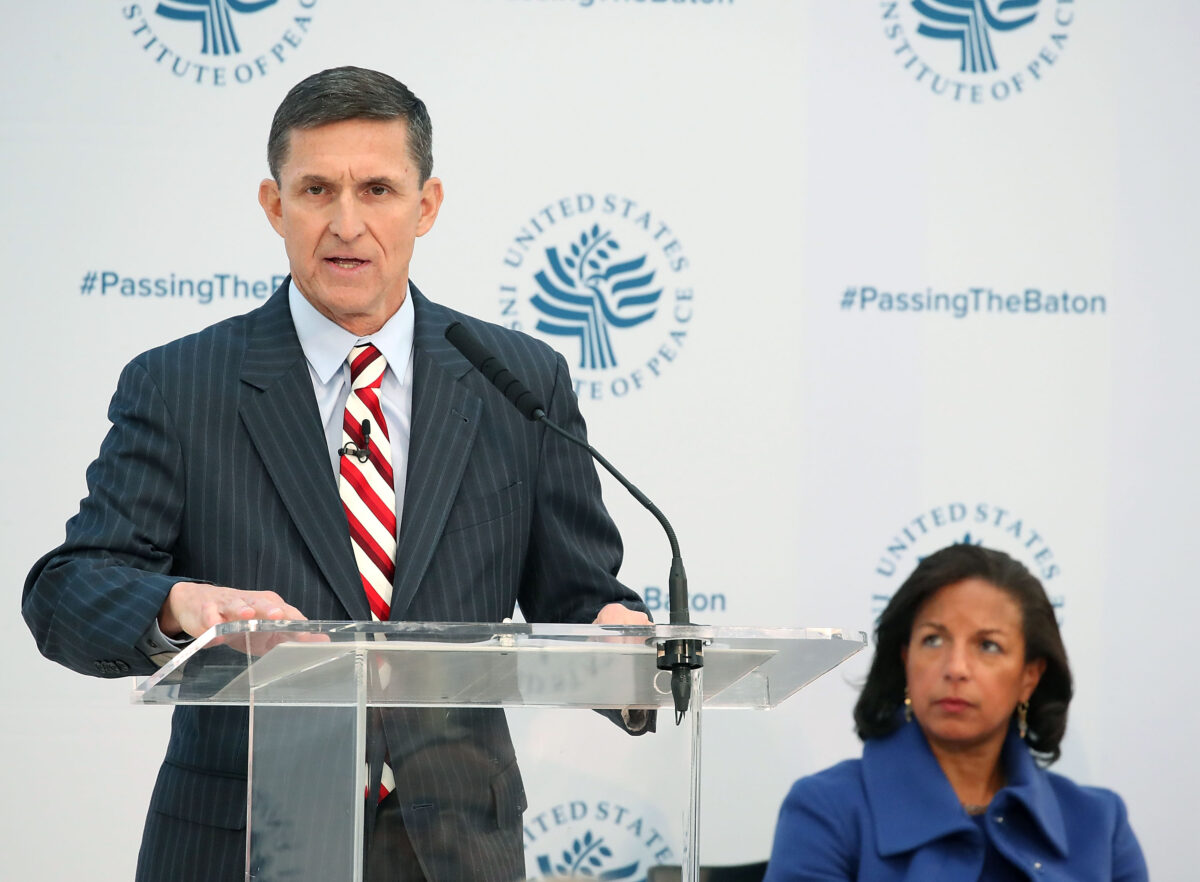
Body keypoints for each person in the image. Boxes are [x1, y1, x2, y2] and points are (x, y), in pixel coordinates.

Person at [22, 66, 651, 882]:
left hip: (457, 841)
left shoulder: (516, 381)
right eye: (317, 189)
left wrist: (618, 633)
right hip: (242, 839)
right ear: (274, 205)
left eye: (378, 190)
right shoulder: (181, 385)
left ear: (425, 206)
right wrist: (177, 603)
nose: (346, 223)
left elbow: (575, 594)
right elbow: (67, 591)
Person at [764, 545, 1147, 881]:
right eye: (933, 639)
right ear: (906, 658)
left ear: (1029, 677)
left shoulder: (1101, 824)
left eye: (989, 646)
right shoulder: (827, 811)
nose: (956, 667)